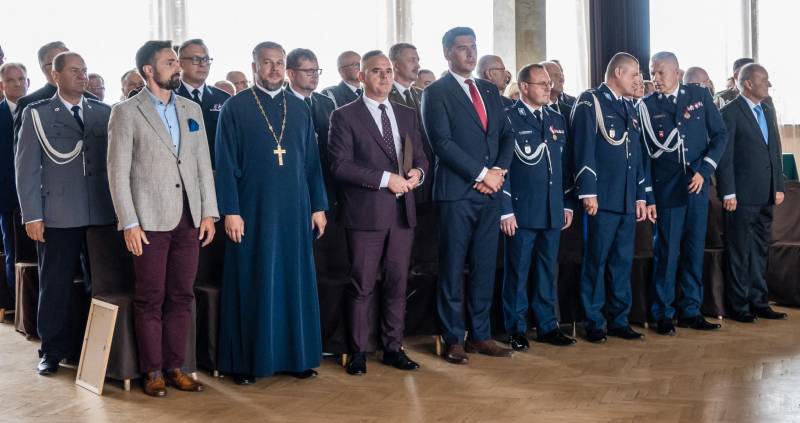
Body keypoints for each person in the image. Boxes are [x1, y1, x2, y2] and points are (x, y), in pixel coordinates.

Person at [107, 40, 218, 396]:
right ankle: (152, 371)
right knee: (150, 297)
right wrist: (129, 222)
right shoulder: (126, 112)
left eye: (176, 61)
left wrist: (208, 213)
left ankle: (175, 367)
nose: (178, 67)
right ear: (149, 70)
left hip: (190, 218)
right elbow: (117, 173)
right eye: (170, 62)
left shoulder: (191, 108)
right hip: (148, 221)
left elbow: (203, 165)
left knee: (182, 295)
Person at [215, 41, 328, 385]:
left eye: (279, 63)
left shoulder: (300, 108)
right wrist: (231, 210)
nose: (275, 69)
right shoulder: (235, 107)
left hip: (295, 210)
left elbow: (312, 163)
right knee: (254, 281)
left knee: (294, 281)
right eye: (267, 63)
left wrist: (318, 206)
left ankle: (297, 357)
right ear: (254, 67)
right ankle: (247, 363)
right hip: (253, 210)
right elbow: (225, 164)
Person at [328, 50, 428, 376]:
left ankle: (392, 347)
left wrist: (418, 174)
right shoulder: (344, 116)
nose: (384, 77)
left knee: (398, 285)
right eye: (376, 71)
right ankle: (358, 351)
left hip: (402, 214)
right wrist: (386, 179)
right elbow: (340, 165)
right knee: (362, 286)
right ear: (361, 76)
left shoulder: (407, 113)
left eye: (388, 71)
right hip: (366, 215)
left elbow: (422, 157)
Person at [15, 52, 115, 375]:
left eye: (84, 70)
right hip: (59, 214)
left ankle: (98, 350)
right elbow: (26, 170)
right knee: (55, 284)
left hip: (101, 213)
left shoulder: (103, 112)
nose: (82, 76)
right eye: (74, 71)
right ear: (55, 76)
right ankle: (52, 350)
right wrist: (32, 215)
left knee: (101, 284)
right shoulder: (38, 114)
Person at [421, 26, 514, 364]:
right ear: (447, 53)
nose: (470, 53)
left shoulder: (488, 89)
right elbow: (441, 143)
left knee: (484, 266)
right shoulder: (435, 92)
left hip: (490, 193)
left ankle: (480, 335)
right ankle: (453, 338)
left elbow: (506, 136)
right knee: (452, 267)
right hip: (456, 194)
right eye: (462, 48)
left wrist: (497, 172)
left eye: (473, 46)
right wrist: (481, 174)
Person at [639, 51, 728, 335]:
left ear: (677, 72)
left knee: (693, 250)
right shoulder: (646, 106)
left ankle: (691, 310)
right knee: (666, 253)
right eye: (652, 73)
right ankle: (663, 313)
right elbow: (644, 156)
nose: (656, 78)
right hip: (667, 190)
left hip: (697, 186)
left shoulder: (699, 96)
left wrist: (704, 170)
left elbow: (720, 135)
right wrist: (649, 196)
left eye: (661, 72)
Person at [572, 52, 650, 343]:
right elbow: (583, 148)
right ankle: (594, 320)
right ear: (618, 72)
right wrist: (588, 191)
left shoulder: (628, 106)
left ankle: (619, 319)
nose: (638, 80)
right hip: (602, 198)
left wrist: (640, 196)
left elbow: (636, 156)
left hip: (626, 198)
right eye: (634, 74)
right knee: (597, 260)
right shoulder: (591, 101)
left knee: (622, 261)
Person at [500, 63, 577, 351]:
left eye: (549, 83)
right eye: (542, 83)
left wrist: (568, 203)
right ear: (524, 87)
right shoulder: (509, 118)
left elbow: (565, 167)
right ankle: (516, 328)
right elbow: (501, 167)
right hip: (521, 211)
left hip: (552, 209)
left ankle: (547, 325)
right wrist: (505, 209)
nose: (548, 87)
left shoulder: (556, 118)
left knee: (548, 270)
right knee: (517, 271)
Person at [717, 63, 788, 323]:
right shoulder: (729, 112)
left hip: (766, 194)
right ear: (748, 83)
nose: (769, 84)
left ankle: (759, 302)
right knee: (739, 252)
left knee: (759, 250)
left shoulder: (767, 109)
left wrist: (778, 186)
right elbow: (725, 157)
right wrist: (728, 193)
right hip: (740, 197)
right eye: (764, 80)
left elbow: (775, 149)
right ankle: (739, 306)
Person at [13, 42, 97, 138]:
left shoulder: (93, 100)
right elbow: (24, 146)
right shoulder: (28, 104)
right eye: (59, 63)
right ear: (44, 69)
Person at [175, 39, 231, 166]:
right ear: (180, 63)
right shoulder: (169, 97)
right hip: (181, 170)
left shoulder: (223, 98)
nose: (202, 64)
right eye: (196, 59)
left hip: (216, 169)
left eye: (206, 59)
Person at [0, 62, 29, 301]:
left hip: (41, 197)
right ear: (2, 85)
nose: (18, 84)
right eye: (11, 80)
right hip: (7, 197)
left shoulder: (39, 109)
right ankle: (17, 304)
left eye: (21, 79)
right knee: (14, 252)